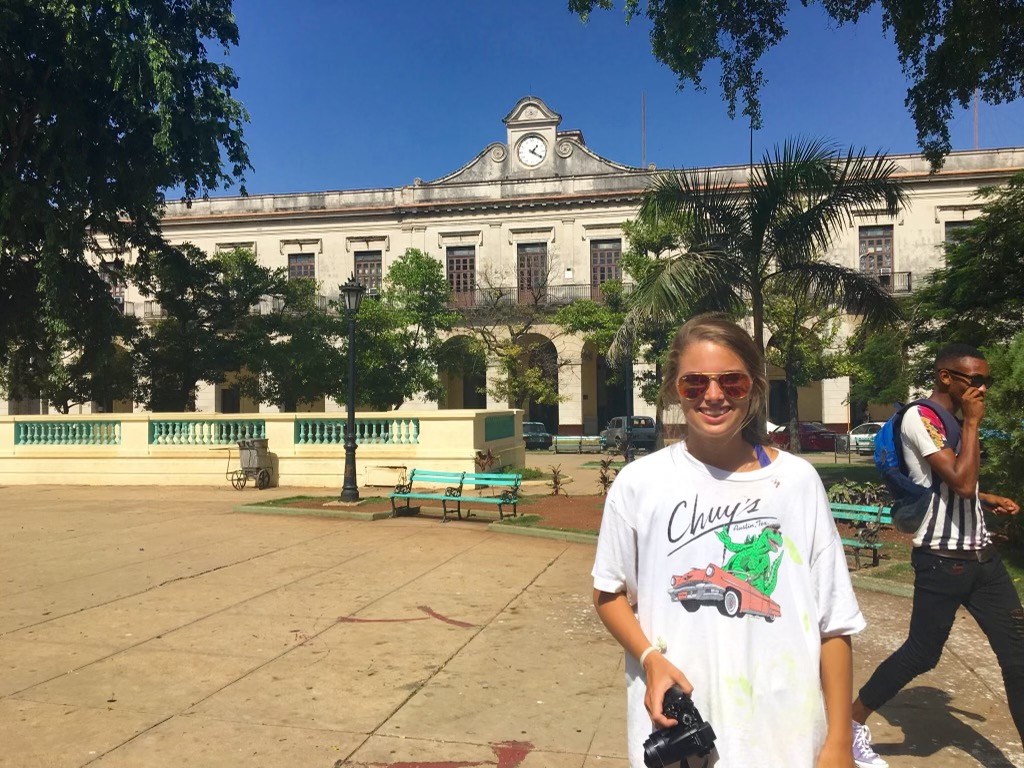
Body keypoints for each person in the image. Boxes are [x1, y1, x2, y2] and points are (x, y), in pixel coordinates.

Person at [591, 313, 865, 768]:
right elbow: (608, 592)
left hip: (785, 734)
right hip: (680, 734)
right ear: (674, 390)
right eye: (694, 384)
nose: (713, 396)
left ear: (755, 388)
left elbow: (833, 621)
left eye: (732, 383)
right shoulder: (639, 483)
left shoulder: (797, 482)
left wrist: (838, 741)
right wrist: (649, 658)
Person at [851, 342, 1022, 768]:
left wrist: (987, 499)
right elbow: (959, 482)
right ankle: (850, 723)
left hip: (983, 559)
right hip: (943, 561)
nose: (982, 389)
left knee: (1018, 653)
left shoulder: (953, 421)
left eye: (986, 381)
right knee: (922, 653)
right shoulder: (919, 418)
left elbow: (958, 487)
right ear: (946, 377)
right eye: (975, 381)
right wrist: (974, 424)